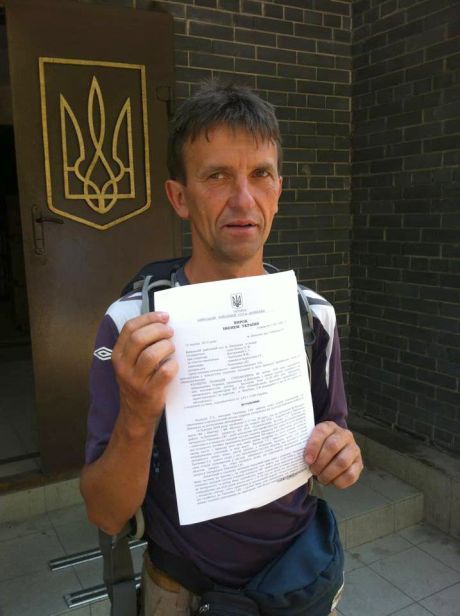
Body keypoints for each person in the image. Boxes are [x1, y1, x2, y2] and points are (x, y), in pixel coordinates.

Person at [80, 82, 363, 615]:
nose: (243, 199)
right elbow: (106, 513)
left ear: (279, 190)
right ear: (179, 197)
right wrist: (138, 413)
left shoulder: (313, 316)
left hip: (295, 581)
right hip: (181, 589)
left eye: (260, 174)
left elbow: (334, 434)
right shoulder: (132, 325)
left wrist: (341, 454)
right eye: (217, 176)